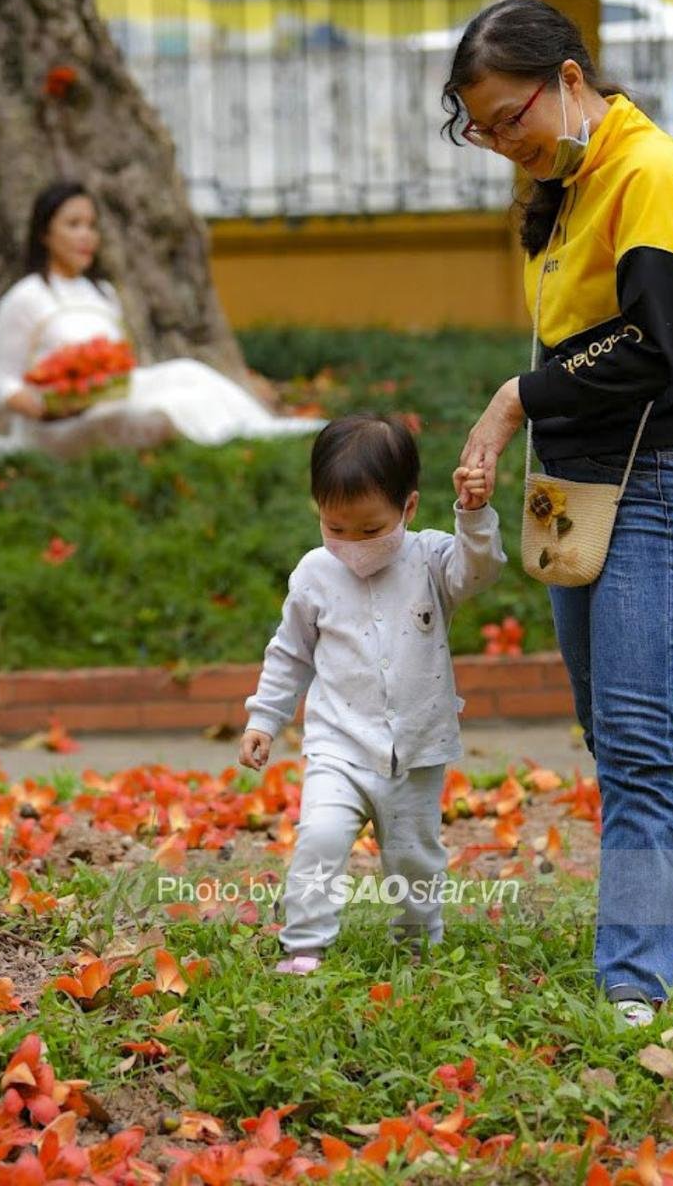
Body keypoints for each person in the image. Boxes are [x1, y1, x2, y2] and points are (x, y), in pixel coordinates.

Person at [445, 0, 673, 1026]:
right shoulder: (575, 180)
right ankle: (650, 922)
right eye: (487, 130)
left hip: (649, 483)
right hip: (573, 490)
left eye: (511, 117)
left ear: (570, 77)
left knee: (634, 743)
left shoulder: (648, 172)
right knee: (606, 731)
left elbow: (660, 343)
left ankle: (632, 983)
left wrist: (513, 398)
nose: (506, 145)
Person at [0, 182, 322, 485]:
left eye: (91, 224)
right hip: (54, 426)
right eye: (73, 224)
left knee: (183, 370)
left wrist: (104, 379)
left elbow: (121, 364)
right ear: (45, 232)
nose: (86, 236)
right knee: (146, 416)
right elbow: (2, 383)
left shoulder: (103, 294)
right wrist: (52, 405)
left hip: (102, 398)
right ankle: (212, 436)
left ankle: (252, 431)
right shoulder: (25, 300)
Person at [239, 415, 504, 974]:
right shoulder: (314, 574)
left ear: (407, 510)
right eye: (336, 528)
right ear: (318, 510)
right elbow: (290, 652)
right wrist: (264, 718)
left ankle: (418, 940)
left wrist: (473, 516)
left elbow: (479, 571)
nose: (352, 545)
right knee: (320, 835)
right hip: (338, 744)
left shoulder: (432, 560)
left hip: (416, 749)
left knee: (414, 857)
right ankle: (305, 943)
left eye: (370, 530)